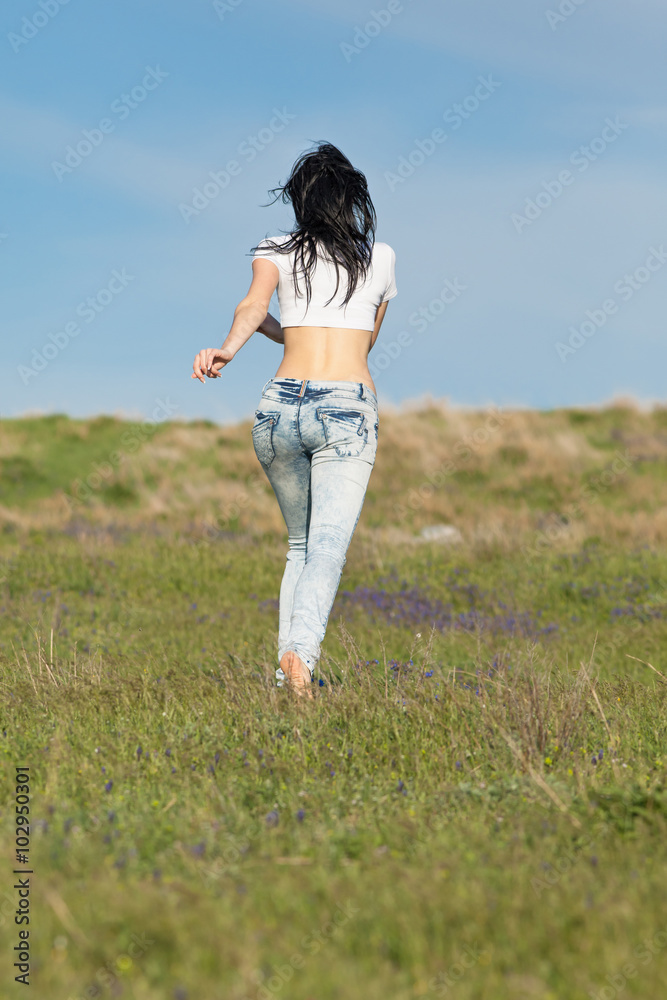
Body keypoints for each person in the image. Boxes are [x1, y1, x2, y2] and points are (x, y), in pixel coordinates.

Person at [191, 141, 397, 696]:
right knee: (327, 546)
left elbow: (254, 308)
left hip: (280, 405)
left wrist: (231, 348)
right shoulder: (380, 258)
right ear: (352, 199)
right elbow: (362, 343)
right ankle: (301, 659)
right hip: (347, 408)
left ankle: (286, 675)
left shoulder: (275, 248)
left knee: (299, 546)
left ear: (300, 201)